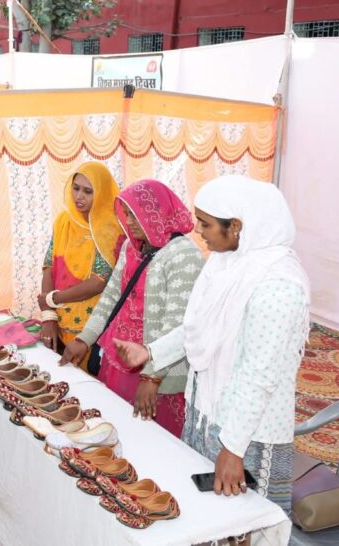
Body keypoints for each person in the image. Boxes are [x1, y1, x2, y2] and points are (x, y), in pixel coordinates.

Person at [114, 175, 310, 512]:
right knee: (204, 512)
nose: (197, 230)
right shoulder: (224, 263)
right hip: (207, 414)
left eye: (205, 224)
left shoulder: (278, 287)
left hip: (248, 433)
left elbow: (259, 377)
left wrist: (233, 449)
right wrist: (151, 352)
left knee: (246, 518)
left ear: (236, 226)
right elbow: (199, 327)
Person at [60, 179, 203, 438]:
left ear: (156, 213)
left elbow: (176, 326)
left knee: (150, 439)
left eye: (135, 214)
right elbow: (111, 297)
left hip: (157, 368)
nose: (129, 221)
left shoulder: (183, 255)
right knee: (111, 429)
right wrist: (84, 338)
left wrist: (151, 376)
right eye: (126, 213)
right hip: (118, 358)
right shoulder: (132, 246)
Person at [37, 161, 124, 357]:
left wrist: (51, 299)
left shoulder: (110, 228)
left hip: (92, 329)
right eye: (76, 188)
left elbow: (98, 282)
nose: (79, 196)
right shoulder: (64, 221)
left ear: (101, 193)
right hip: (58, 320)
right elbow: (49, 266)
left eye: (88, 191)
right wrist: (49, 315)